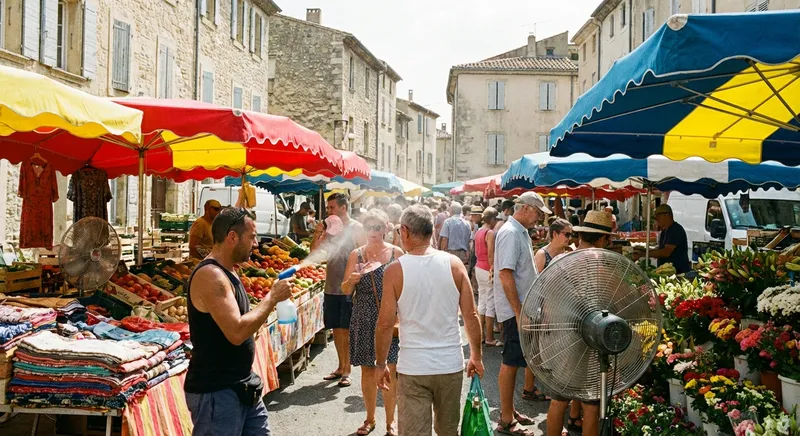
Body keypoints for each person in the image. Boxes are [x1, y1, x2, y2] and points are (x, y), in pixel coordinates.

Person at [375, 205, 484, 436]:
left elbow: (385, 324)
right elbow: (471, 315)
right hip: (450, 363)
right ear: (431, 230)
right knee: (447, 430)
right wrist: (477, 356)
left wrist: (381, 364)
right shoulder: (454, 264)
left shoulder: (395, 271)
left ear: (404, 231)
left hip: (414, 366)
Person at [184, 207, 293, 435]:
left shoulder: (231, 271)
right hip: (217, 392)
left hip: (242, 386)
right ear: (232, 237)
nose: (256, 244)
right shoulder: (211, 275)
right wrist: (271, 297)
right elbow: (235, 332)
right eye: (252, 237)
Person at [544, 210, 612, 436]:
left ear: (581, 235)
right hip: (591, 340)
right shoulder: (602, 265)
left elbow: (545, 299)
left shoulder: (558, 261)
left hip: (560, 339)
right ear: (603, 239)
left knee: (558, 400)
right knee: (591, 404)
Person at [341, 210, 404, 436]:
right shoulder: (356, 255)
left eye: (378, 227)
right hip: (364, 317)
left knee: (391, 369)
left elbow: (406, 288)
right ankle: (370, 419)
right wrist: (352, 280)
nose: (374, 232)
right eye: (370, 227)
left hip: (390, 319)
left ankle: (391, 422)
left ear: (386, 228)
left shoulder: (397, 253)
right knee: (367, 371)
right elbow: (345, 290)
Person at [494, 192, 551, 436]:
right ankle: (506, 419)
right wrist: (518, 312)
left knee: (516, 362)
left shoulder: (518, 231)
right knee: (510, 362)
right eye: (538, 213)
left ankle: (509, 410)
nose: (540, 218)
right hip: (514, 310)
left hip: (520, 309)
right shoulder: (511, 232)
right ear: (526, 209)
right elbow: (505, 274)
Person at [312, 193, 366, 388]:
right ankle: (340, 366)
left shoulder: (356, 228)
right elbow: (315, 253)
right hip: (331, 284)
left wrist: (357, 283)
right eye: (327, 208)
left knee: (346, 328)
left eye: (332, 208)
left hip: (348, 287)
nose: (329, 212)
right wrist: (318, 233)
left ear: (343, 208)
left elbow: (365, 255)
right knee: (336, 328)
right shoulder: (330, 228)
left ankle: (347, 370)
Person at [474, 207, 501, 346]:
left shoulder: (479, 230)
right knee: (490, 303)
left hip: (479, 266)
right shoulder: (489, 232)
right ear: (492, 219)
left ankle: (482, 335)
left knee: (482, 302)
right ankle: (490, 337)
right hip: (487, 268)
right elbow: (491, 253)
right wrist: (492, 269)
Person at [648, 204, 691, 274]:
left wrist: (645, 254)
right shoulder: (664, 231)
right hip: (666, 272)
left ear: (666, 215)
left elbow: (666, 252)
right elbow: (660, 249)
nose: (657, 219)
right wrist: (644, 251)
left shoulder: (676, 230)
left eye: (658, 216)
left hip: (678, 273)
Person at [438, 202, 472, 268]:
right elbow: (468, 241)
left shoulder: (448, 222)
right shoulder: (467, 223)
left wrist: (442, 253)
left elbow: (444, 240)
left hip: (451, 253)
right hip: (463, 253)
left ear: (451, 210)